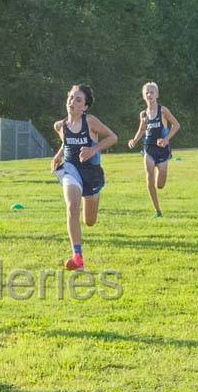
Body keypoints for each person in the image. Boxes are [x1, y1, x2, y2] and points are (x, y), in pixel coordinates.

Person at [51, 84, 117, 269]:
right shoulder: (60, 126)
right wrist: (58, 156)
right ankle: (77, 256)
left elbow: (113, 137)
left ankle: (94, 197)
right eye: (71, 97)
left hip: (92, 174)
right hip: (71, 171)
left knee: (90, 221)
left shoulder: (90, 122)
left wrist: (93, 149)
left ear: (85, 107)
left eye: (78, 99)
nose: (72, 102)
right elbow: (66, 143)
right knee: (72, 207)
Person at [127, 82, 181, 217]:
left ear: (157, 94)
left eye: (152, 92)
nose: (149, 94)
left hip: (162, 150)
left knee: (160, 185)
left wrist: (166, 139)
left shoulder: (163, 110)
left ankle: (159, 179)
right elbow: (142, 129)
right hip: (148, 148)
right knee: (149, 178)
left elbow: (176, 125)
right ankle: (157, 211)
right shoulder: (143, 114)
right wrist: (134, 140)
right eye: (147, 93)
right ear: (144, 96)